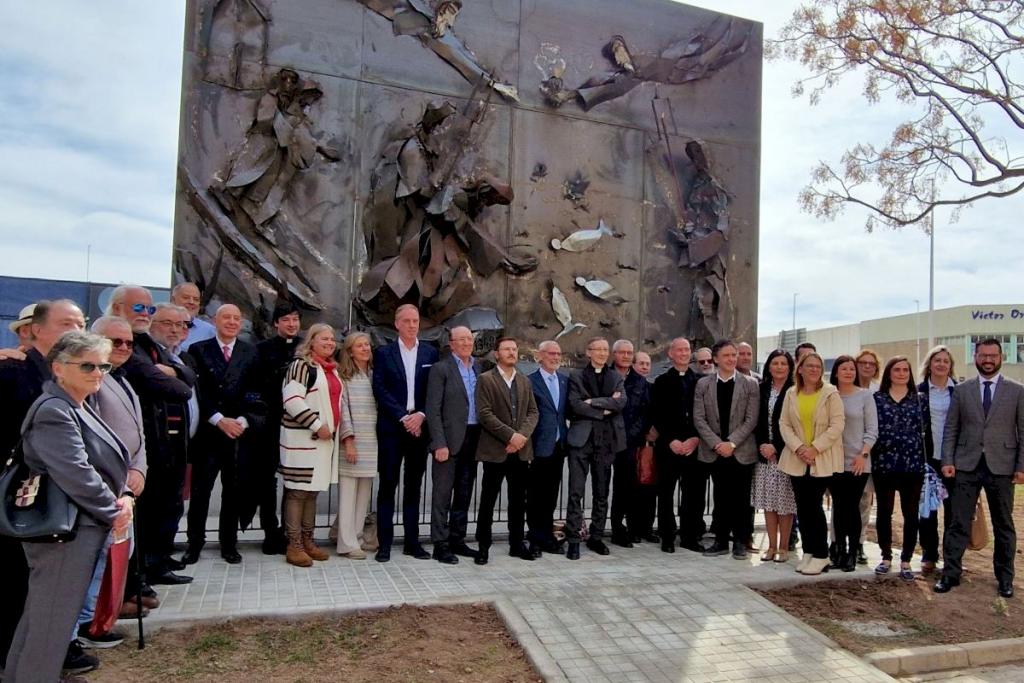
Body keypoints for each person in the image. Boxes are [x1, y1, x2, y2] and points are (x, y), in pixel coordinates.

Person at [4, 331, 134, 683]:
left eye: (103, 365)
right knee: (51, 624)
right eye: (87, 365)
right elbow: (75, 472)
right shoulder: (55, 410)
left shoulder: (76, 404)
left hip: (78, 529)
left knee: (42, 619)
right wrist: (114, 508)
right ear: (59, 369)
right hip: (66, 533)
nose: (97, 373)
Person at [0, 300, 91, 675]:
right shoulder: (12, 371)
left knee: (43, 596)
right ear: (34, 329)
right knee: (16, 589)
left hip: (60, 500)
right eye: (66, 323)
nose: (75, 330)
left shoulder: (71, 375)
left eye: (81, 323)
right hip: (20, 501)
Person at [75, 316, 149, 649]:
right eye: (114, 341)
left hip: (127, 485)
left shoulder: (120, 378)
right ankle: (86, 624)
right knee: (97, 558)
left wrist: (140, 471)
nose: (122, 348)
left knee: (117, 554)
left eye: (128, 343)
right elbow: (89, 438)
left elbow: (138, 436)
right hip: (104, 484)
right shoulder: (90, 380)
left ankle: (100, 616)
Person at [936, 338, 1024, 598]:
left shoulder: (1017, 391)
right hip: (966, 464)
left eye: (993, 355)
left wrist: (1021, 466)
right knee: (957, 522)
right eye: (983, 355)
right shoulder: (962, 390)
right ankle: (950, 574)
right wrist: (947, 461)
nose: (988, 360)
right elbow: (952, 428)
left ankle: (1005, 579)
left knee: (1004, 525)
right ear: (975, 356)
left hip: (1002, 466)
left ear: (1001, 357)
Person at [184, 304, 264, 565]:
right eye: (226, 317)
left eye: (236, 318)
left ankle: (229, 544)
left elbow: (255, 390)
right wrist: (219, 419)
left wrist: (242, 420)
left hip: (238, 434)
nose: (231, 322)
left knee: (233, 491)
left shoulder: (249, 352)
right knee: (201, 492)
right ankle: (194, 543)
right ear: (214, 321)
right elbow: (197, 391)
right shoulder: (198, 350)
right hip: (209, 432)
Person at [130, 303, 196, 587]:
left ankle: (160, 560)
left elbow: (190, 378)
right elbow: (180, 388)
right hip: (156, 445)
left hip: (180, 444)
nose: (176, 329)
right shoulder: (143, 352)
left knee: (171, 507)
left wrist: (175, 372)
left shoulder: (176, 356)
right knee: (152, 509)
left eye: (181, 325)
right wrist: (176, 376)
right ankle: (145, 568)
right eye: (168, 323)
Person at [279, 323, 352, 567]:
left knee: (311, 493)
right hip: (304, 439)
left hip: (323, 441)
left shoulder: (332, 370)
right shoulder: (302, 366)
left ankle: (308, 540)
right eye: (324, 339)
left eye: (332, 339)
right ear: (311, 341)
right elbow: (292, 400)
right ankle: (294, 544)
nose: (330, 343)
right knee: (297, 492)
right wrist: (316, 424)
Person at [372, 304, 438, 562]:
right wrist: (402, 416)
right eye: (407, 321)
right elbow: (380, 388)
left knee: (414, 487)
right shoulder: (384, 353)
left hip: (419, 428)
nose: (412, 325)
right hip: (392, 427)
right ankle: (384, 544)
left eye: (416, 320)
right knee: (388, 485)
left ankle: (412, 542)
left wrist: (420, 415)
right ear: (397, 324)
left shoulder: (431, 353)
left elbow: (433, 391)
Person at [778, 351, 845, 576]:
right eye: (810, 366)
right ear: (800, 369)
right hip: (797, 459)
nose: (814, 369)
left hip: (820, 458)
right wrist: (799, 448)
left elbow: (837, 425)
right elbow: (784, 424)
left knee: (814, 507)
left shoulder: (830, 393)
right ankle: (808, 551)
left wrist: (814, 448)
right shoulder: (791, 393)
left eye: (818, 366)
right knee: (803, 508)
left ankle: (821, 555)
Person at [474, 337, 539, 565]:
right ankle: (483, 546)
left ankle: (517, 544)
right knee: (488, 500)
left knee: (518, 501)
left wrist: (520, 437)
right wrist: (510, 436)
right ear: (496, 354)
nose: (512, 352)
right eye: (507, 349)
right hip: (496, 450)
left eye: (514, 349)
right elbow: (484, 414)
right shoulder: (485, 379)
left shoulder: (524, 381)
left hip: (520, 451)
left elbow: (533, 412)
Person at [693, 339, 760, 560]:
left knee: (741, 498)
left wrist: (731, 443)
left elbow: (751, 419)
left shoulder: (750, 384)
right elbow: (699, 418)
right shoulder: (703, 384)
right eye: (727, 355)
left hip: (740, 450)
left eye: (734, 355)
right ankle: (720, 540)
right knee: (720, 497)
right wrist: (717, 444)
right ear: (715, 359)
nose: (732, 359)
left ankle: (740, 541)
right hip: (715, 451)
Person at [424, 326, 483, 564]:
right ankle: (440, 544)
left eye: (469, 338)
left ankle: (458, 539)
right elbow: (432, 409)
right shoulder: (441, 369)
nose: (467, 343)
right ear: (451, 343)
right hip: (448, 441)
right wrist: (439, 442)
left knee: (464, 492)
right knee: (442, 494)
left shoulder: (478, 368)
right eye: (462, 339)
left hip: (473, 438)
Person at [565, 337, 627, 560]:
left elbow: (620, 403)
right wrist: (604, 407)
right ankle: (573, 539)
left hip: (606, 441)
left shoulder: (615, 377)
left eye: (605, 349)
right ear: (588, 352)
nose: (602, 353)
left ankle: (597, 537)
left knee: (602, 493)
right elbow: (575, 404)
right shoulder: (576, 376)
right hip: (581, 441)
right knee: (575, 492)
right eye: (597, 349)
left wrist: (592, 402)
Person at [871, 356, 929, 581]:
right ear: (889, 373)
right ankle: (886, 556)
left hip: (912, 465)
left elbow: (924, 429)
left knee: (910, 513)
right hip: (884, 464)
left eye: (906, 369)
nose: (902, 373)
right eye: (897, 369)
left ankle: (906, 559)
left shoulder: (919, 399)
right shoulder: (877, 398)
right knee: (885, 512)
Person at [253, 302, 303, 555]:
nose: (291, 324)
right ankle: (270, 532)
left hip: (299, 427)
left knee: (294, 481)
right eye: (286, 320)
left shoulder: (305, 349)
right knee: (267, 481)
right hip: (271, 423)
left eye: (295, 319)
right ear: (276, 323)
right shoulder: (262, 350)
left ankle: (290, 531)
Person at [651, 337, 702, 553]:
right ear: (671, 354)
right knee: (665, 493)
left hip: (694, 445)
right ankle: (667, 536)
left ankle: (690, 536)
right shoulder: (661, 382)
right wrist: (670, 440)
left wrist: (695, 438)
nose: (683, 353)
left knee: (693, 493)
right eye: (679, 350)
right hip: (668, 446)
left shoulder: (700, 381)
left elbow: (705, 413)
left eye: (687, 350)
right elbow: (657, 414)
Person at [829, 355, 877, 572]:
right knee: (838, 507)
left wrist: (863, 454)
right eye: (844, 369)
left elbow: (872, 430)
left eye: (851, 369)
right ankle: (838, 550)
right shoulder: (829, 395)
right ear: (836, 372)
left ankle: (851, 552)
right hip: (834, 461)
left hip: (859, 461)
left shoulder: (865, 396)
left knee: (852, 506)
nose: (849, 372)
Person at [335, 332, 378, 559]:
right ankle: (346, 543)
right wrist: (348, 441)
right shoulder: (343, 376)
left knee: (363, 494)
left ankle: (357, 536)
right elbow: (343, 411)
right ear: (350, 351)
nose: (365, 349)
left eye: (367, 345)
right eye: (360, 346)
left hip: (371, 441)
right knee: (348, 494)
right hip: (352, 443)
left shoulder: (372, 374)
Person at [753, 349, 797, 563]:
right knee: (769, 502)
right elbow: (755, 419)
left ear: (790, 368)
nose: (779, 367)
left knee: (785, 504)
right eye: (775, 363)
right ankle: (770, 546)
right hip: (764, 456)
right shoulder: (760, 389)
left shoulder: (795, 390)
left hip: (786, 454)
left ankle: (783, 547)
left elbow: (794, 425)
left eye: (783, 364)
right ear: (769, 366)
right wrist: (763, 444)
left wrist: (776, 447)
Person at [527, 340, 569, 555]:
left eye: (558, 353)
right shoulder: (530, 381)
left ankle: (547, 536)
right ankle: (535, 537)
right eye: (551, 353)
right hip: (538, 446)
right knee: (535, 496)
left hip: (559, 446)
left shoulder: (564, 381)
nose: (555, 357)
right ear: (540, 356)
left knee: (551, 495)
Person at [609, 339, 652, 548]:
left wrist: (628, 436)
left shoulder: (640, 382)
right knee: (601, 488)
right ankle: (598, 530)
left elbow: (645, 414)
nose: (626, 356)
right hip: (604, 440)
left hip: (629, 443)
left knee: (625, 488)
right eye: (622, 352)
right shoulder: (605, 376)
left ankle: (621, 529)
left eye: (629, 353)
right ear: (614, 354)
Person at [917, 345, 957, 574]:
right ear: (929, 364)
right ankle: (929, 554)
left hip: (955, 460)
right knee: (928, 509)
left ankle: (952, 557)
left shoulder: (960, 391)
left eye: (946, 361)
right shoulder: (919, 391)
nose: (941, 364)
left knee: (954, 511)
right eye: (937, 360)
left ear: (950, 366)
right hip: (928, 459)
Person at [851, 348, 883, 565]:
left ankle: (860, 543)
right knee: (844, 502)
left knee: (864, 501)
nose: (867, 366)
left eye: (872, 364)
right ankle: (840, 542)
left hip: (871, 454)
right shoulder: (844, 389)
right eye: (863, 362)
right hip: (847, 455)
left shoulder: (879, 392)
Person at [172, 282, 217, 351]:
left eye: (196, 299)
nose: (191, 302)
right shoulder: (159, 325)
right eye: (186, 298)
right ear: (173, 300)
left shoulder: (210, 332)